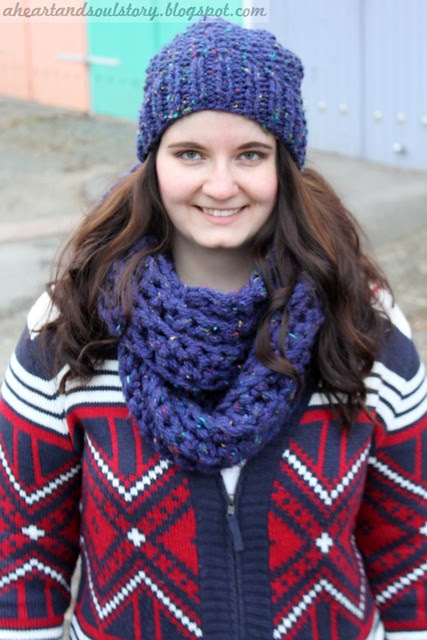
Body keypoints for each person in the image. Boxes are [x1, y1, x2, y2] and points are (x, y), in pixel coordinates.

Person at [0, 17, 426, 640]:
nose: (220, 186)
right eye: (190, 153)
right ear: (153, 162)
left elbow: (409, 551)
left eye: (250, 154)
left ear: (284, 165)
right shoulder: (70, 326)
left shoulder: (362, 324)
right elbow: (23, 557)